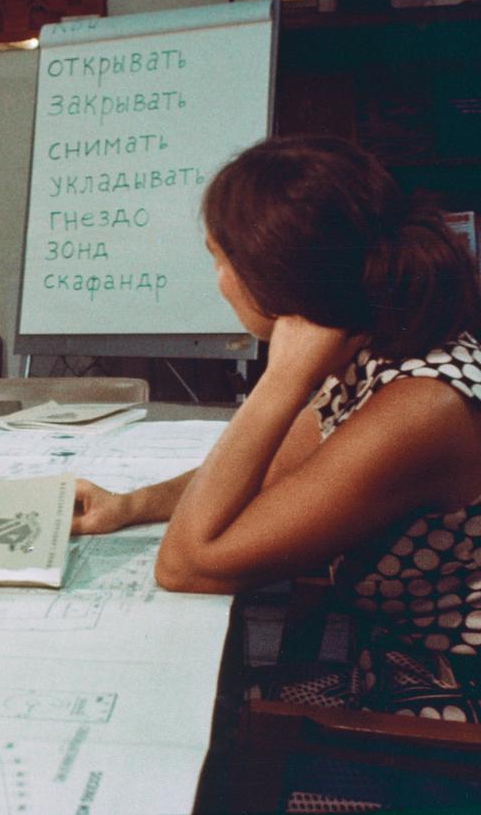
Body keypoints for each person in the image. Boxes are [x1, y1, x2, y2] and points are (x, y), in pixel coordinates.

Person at [74, 135, 481, 720]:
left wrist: (283, 377)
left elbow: (189, 566)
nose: (218, 281)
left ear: (277, 281)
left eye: (220, 258)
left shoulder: (421, 408)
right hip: (391, 663)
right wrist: (132, 505)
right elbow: (267, 474)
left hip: (441, 722)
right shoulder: (384, 349)